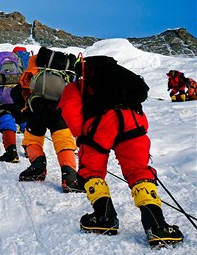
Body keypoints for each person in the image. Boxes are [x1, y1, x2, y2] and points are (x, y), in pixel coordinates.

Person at [58, 56, 183, 248]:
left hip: (100, 124)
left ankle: (104, 217)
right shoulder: (120, 77)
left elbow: (69, 108)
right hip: (133, 120)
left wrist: (82, 135)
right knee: (139, 170)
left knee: (91, 170)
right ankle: (157, 226)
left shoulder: (78, 85)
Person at [16, 49, 84, 193]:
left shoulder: (33, 63)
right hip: (60, 109)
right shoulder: (67, 69)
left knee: (32, 140)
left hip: (37, 108)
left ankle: (38, 167)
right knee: (64, 141)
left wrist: (24, 109)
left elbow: (19, 88)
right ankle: (69, 176)